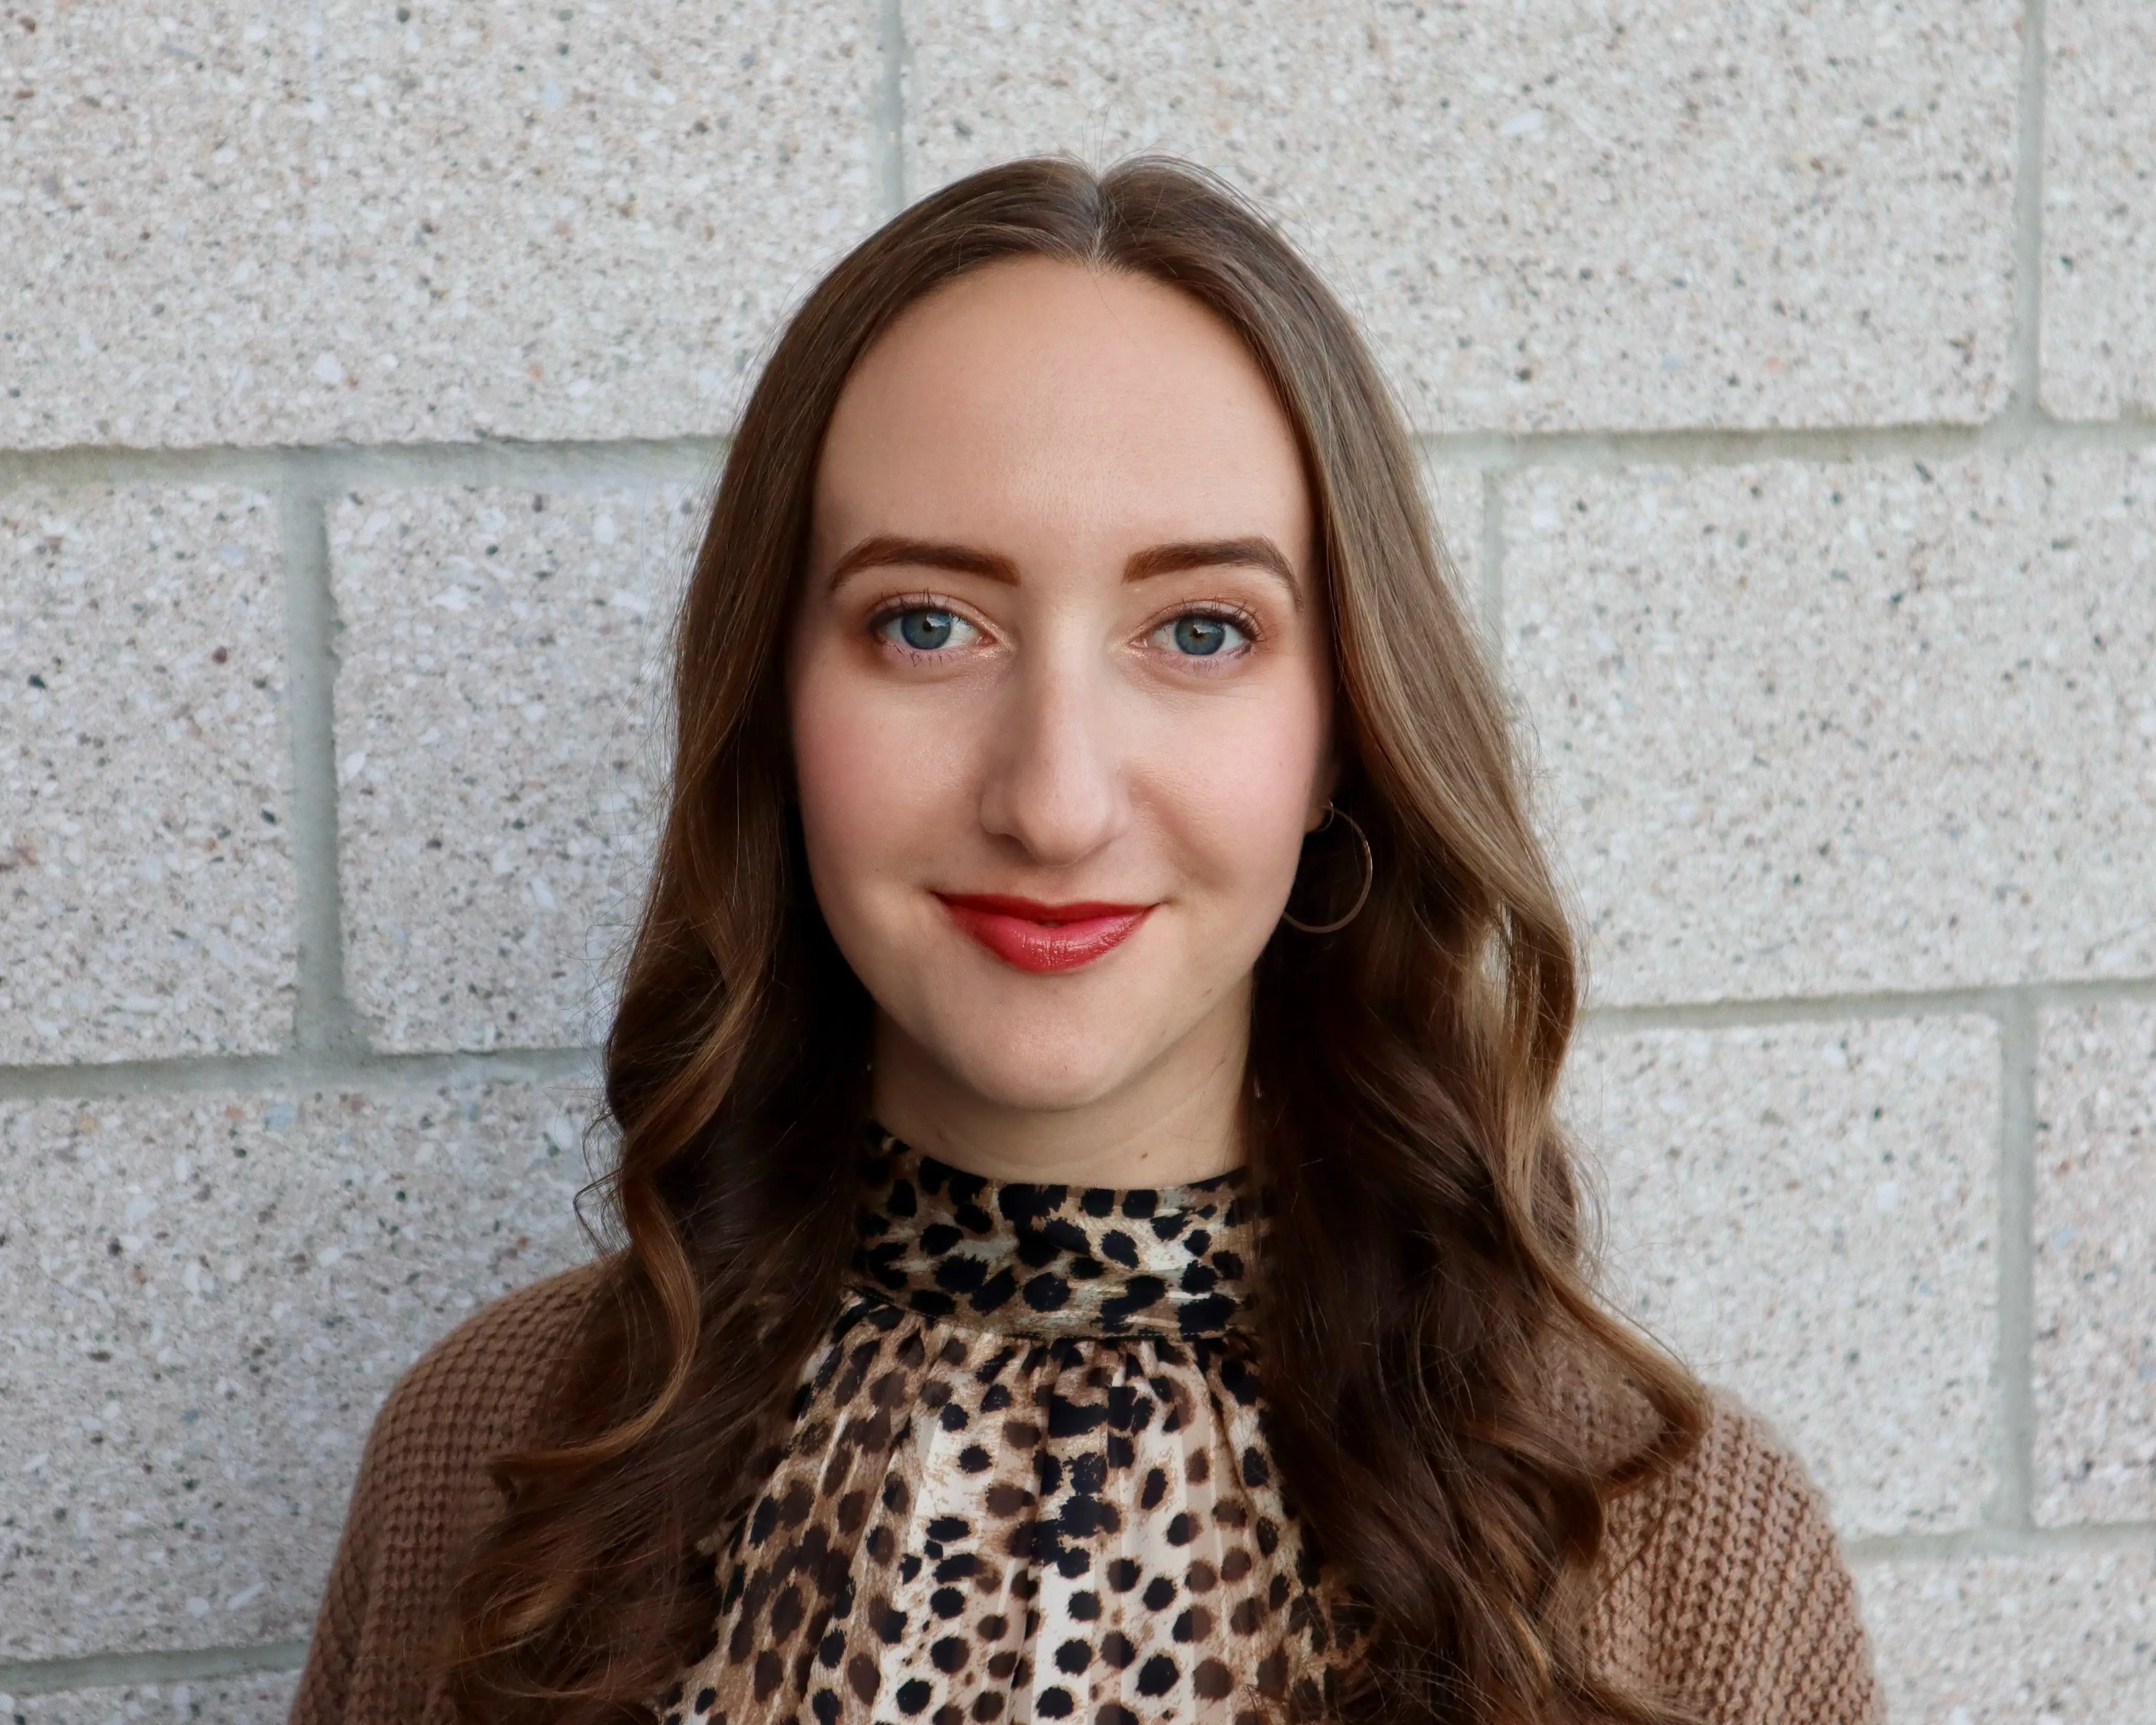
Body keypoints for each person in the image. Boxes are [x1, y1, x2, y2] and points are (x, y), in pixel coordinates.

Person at [290, 156, 1877, 1725]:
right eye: (926, 624)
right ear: (776, 703)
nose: (1053, 801)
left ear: (1343, 730)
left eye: (1200, 632)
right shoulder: (496, 1454)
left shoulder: (1668, 1533)